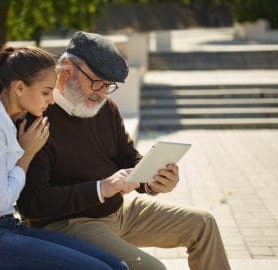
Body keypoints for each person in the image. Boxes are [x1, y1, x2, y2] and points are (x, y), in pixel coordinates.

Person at [17, 32, 232, 270]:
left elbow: (127, 158)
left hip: (118, 210)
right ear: (67, 69)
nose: (101, 92)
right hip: (69, 223)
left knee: (203, 223)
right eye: (97, 81)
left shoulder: (104, 107)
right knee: (153, 269)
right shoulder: (37, 117)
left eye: (109, 85)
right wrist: (100, 189)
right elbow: (31, 204)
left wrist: (152, 179)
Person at [0, 45, 129, 270]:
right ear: (20, 87)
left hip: (5, 228)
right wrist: (27, 152)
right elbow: (0, 202)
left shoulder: (11, 121)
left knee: (116, 266)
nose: (52, 100)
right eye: (46, 92)